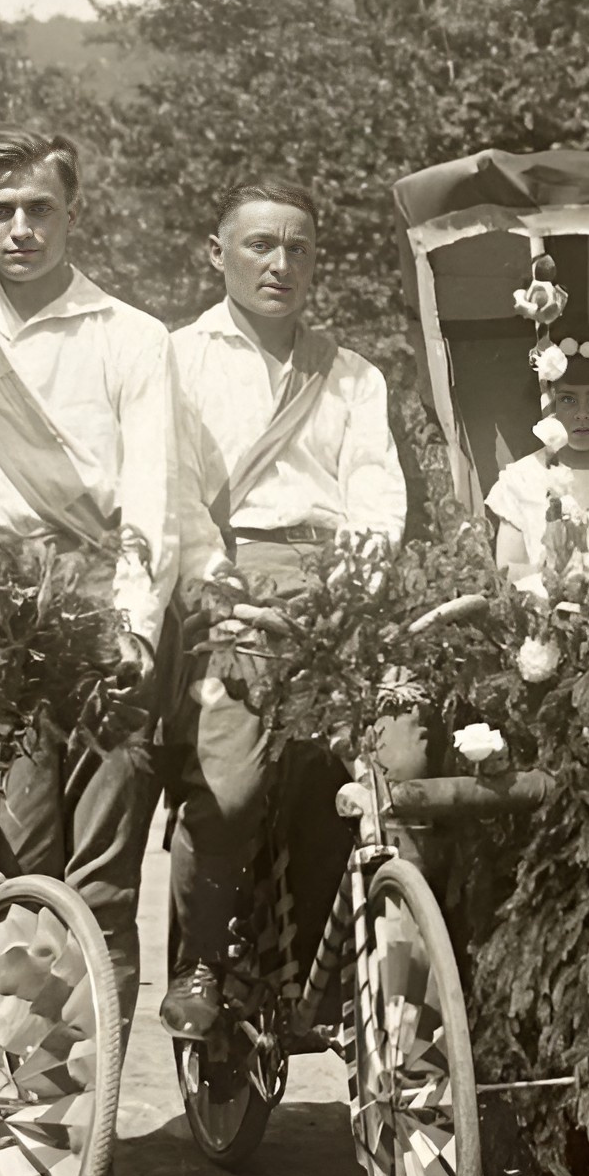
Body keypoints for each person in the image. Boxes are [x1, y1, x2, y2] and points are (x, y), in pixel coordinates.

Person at [0, 129, 173, 1030]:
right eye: (2, 212)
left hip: (102, 612)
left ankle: (92, 1131)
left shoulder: (133, 336)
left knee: (100, 880)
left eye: (40, 208)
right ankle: (13, 1105)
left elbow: (153, 496)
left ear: (71, 213)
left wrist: (133, 625)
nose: (22, 228)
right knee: (11, 861)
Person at [161, 176, 411, 1041]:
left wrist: (353, 592)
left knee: (395, 769)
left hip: (339, 581)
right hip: (230, 574)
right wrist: (219, 587)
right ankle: (200, 958)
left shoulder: (351, 375)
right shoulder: (177, 360)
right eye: (261, 244)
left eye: (298, 247)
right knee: (229, 788)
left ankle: (355, 965)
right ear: (217, 252)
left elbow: (377, 493)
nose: (280, 263)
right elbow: (175, 491)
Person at [487, 327, 589, 583]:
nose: (582, 413)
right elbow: (508, 571)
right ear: (548, 403)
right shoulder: (521, 479)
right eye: (568, 400)